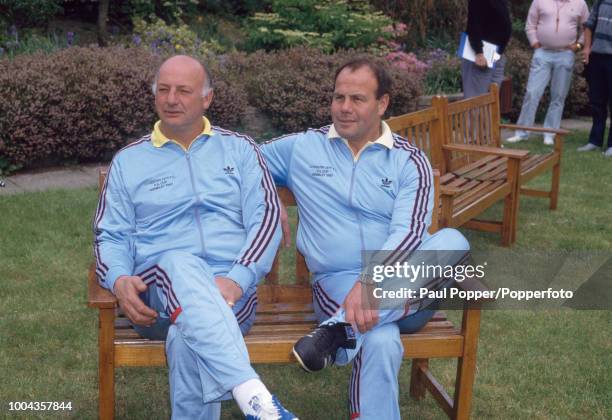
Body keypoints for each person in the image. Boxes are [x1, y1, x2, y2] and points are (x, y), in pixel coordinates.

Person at [261, 58, 470, 420]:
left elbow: (408, 233)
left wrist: (370, 282)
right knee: (379, 338)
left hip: (405, 286)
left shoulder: (409, 162)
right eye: (338, 97)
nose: (344, 108)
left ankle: (338, 329)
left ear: (382, 104)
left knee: (453, 240)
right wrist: (268, 194)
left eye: (357, 99)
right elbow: (240, 159)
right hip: (336, 281)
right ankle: (345, 329)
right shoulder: (303, 148)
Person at [93, 55, 296, 420]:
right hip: (155, 296)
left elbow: (265, 219)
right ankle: (252, 393)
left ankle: (255, 403)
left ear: (206, 99)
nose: (172, 99)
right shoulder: (129, 161)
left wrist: (237, 280)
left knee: (186, 339)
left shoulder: (240, 150)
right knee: (178, 261)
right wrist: (119, 280)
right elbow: (110, 234)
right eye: (164, 90)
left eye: (183, 91)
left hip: (229, 293)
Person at [506, 0, 589, 146]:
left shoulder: (580, 3)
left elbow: (586, 28)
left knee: (558, 97)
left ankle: (550, 133)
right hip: (542, 53)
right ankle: (522, 132)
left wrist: (578, 45)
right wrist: (535, 43)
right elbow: (530, 24)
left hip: (565, 54)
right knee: (532, 92)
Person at [577, 0, 612, 157]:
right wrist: (586, 48)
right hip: (597, 57)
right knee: (597, 102)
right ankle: (595, 140)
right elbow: (589, 25)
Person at [462, 0, 512, 98]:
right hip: (480, 56)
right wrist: (478, 51)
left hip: (496, 54)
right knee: (476, 103)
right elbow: (474, 22)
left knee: (491, 102)